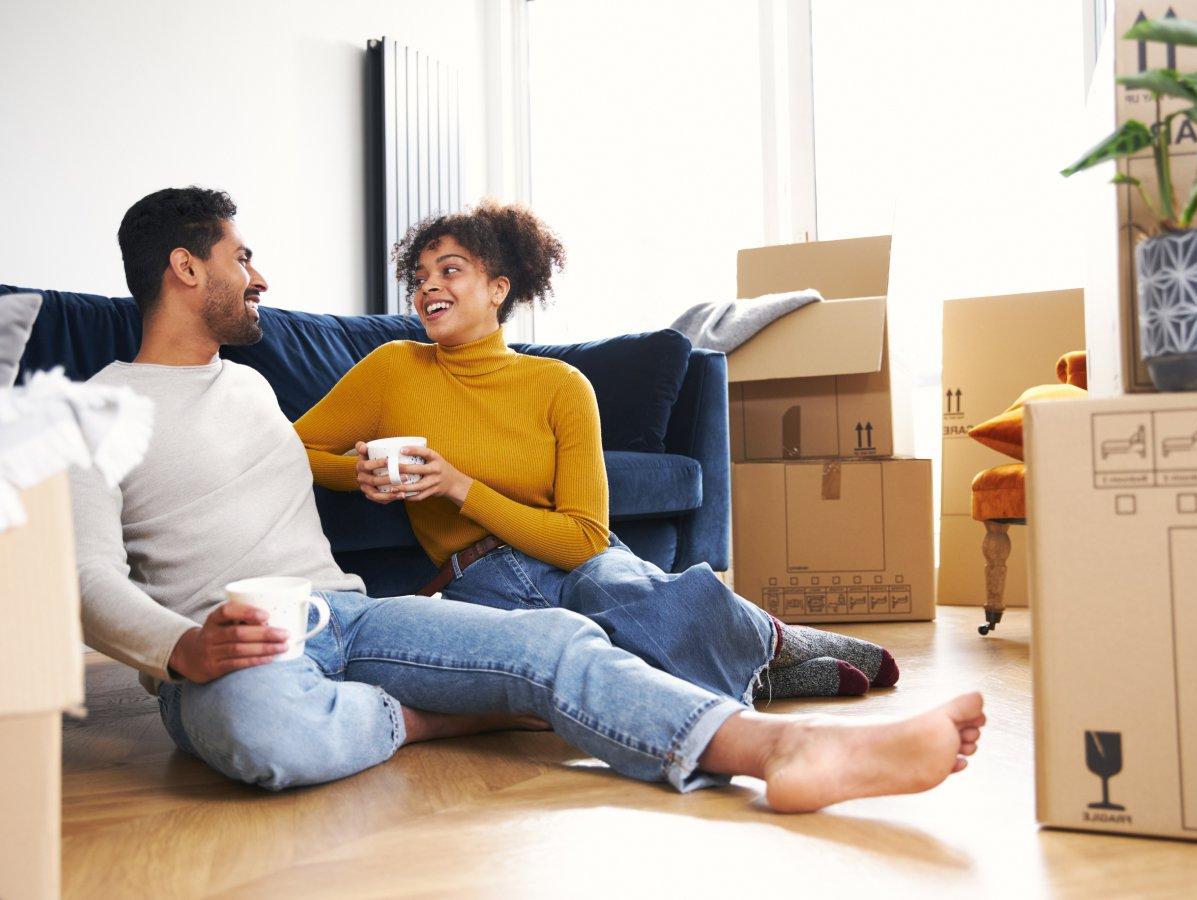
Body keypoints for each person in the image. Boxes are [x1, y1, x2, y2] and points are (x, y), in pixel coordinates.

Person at [70, 185, 985, 810]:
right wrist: (182, 647)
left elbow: (576, 532)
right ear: (187, 270)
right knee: (265, 733)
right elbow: (82, 578)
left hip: (352, 615)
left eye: (453, 270)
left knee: (565, 633)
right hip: (235, 651)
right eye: (243, 257)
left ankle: (783, 750)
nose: (260, 277)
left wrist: (395, 478)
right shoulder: (91, 411)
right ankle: (452, 712)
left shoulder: (254, 390)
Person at [295, 200, 898, 705]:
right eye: (420, 275)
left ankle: (772, 647)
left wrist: (459, 487)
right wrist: (358, 473)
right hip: (476, 575)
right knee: (593, 637)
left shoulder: (561, 385)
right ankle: (765, 667)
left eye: (450, 270)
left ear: (498, 288)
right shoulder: (394, 369)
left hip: (578, 557)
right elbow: (289, 448)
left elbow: (585, 539)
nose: (429, 285)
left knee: (614, 590)